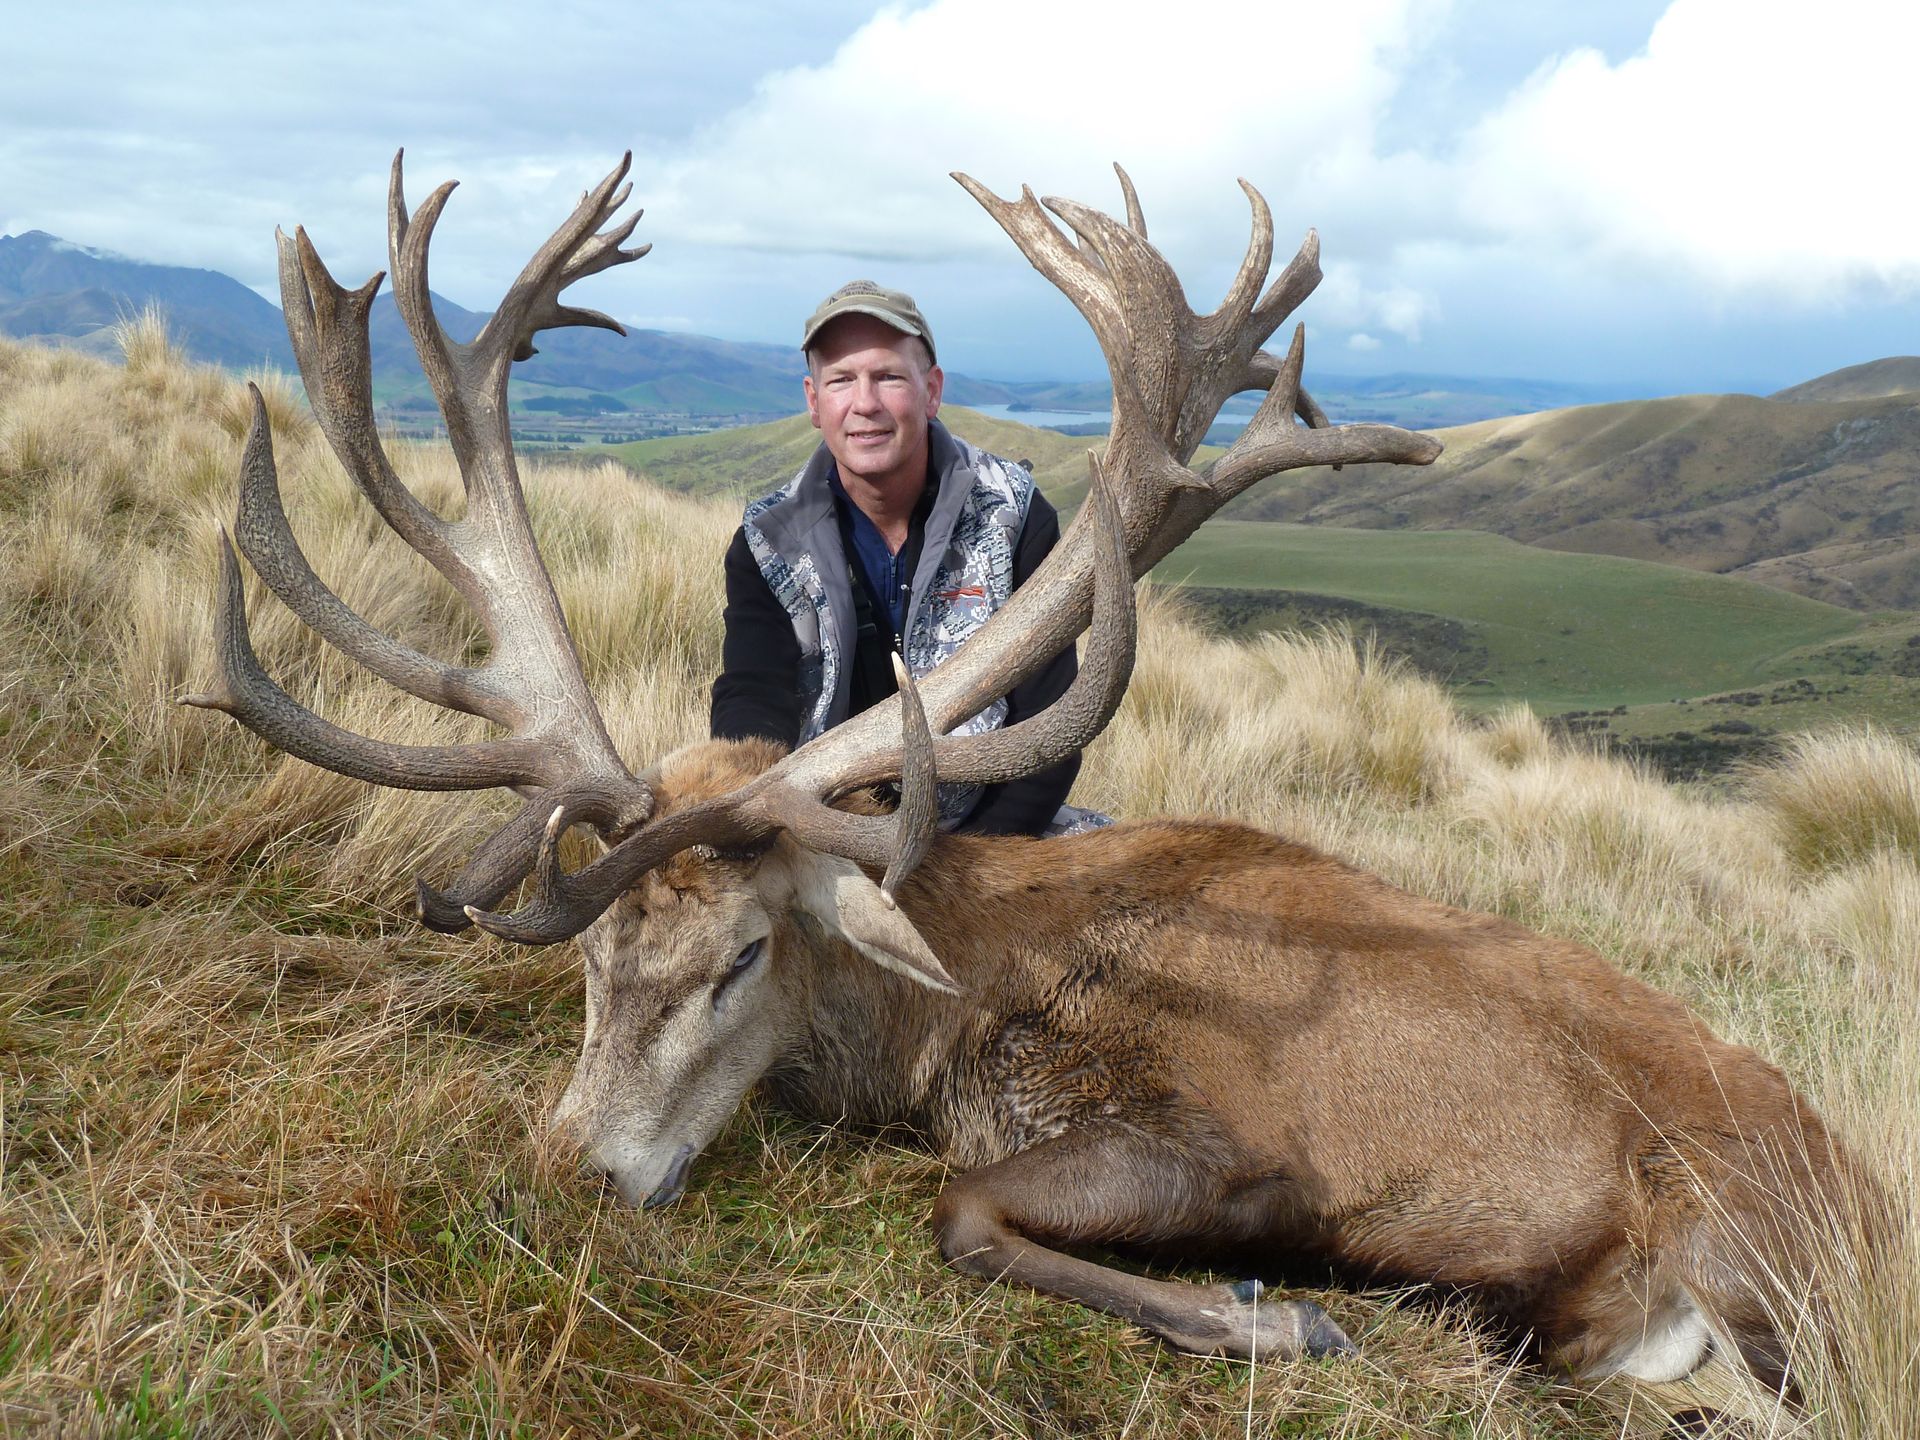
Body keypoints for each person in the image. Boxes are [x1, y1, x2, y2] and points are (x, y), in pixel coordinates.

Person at [709, 280, 1096, 835]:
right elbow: (753, 694)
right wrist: (755, 807)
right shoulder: (769, 541)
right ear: (815, 402)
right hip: (818, 833)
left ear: (931, 391)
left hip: (985, 833)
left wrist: (960, 876)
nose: (864, 403)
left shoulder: (1017, 519)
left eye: (888, 376)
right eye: (841, 380)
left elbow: (1048, 728)